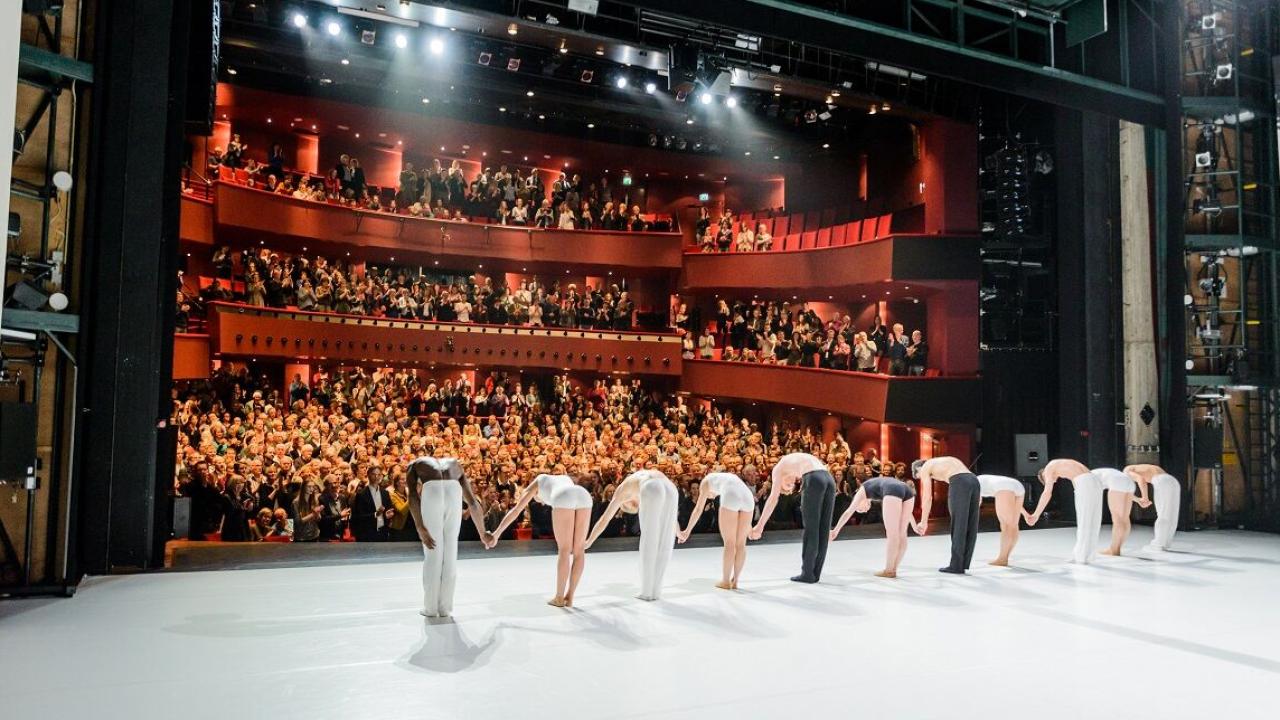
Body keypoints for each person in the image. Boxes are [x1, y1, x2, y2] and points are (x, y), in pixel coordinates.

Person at [405, 457, 493, 618]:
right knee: (450, 554)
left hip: (432, 492)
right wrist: (482, 532)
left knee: (433, 553)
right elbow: (472, 502)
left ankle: (431, 609)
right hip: (454, 492)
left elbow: (412, 496)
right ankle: (445, 608)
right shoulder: (456, 464)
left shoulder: (415, 464)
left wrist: (419, 526)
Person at [489, 473, 592, 608]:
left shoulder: (538, 482)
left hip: (563, 496)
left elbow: (516, 510)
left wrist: (496, 534)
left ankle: (559, 597)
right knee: (579, 550)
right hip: (583, 494)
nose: (540, 502)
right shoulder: (560, 478)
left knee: (564, 550)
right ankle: (570, 596)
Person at [584, 469, 679, 601]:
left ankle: (647, 592)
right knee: (664, 540)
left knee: (649, 539)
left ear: (625, 504)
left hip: (653, 485)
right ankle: (655, 591)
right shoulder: (635, 484)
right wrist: (679, 532)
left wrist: (589, 541)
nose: (637, 504)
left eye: (635, 506)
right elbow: (670, 518)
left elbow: (605, 519)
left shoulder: (621, 492)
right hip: (670, 486)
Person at [751, 452, 835, 583]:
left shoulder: (778, 469)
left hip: (815, 477)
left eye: (787, 486)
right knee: (823, 529)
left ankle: (807, 573)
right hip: (829, 478)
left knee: (812, 529)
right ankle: (814, 574)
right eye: (790, 486)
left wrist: (759, 526)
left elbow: (773, 499)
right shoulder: (793, 466)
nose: (791, 485)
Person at [677, 471, 755, 589]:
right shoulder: (723, 478)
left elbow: (698, 509)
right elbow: (740, 494)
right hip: (748, 497)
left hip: (731, 494)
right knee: (741, 544)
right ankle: (736, 580)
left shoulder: (705, 482)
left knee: (729, 543)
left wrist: (687, 530)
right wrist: (749, 528)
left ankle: (725, 581)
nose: (710, 497)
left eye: (708, 496)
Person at [830, 476, 919, 578]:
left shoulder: (861, 491)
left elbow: (848, 511)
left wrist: (836, 530)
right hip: (906, 490)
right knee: (902, 534)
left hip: (893, 490)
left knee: (892, 534)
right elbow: (904, 508)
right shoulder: (874, 493)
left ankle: (889, 570)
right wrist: (914, 525)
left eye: (859, 510)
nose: (864, 511)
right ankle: (893, 569)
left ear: (859, 502)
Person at [1024, 458, 1104, 564]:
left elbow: (1047, 493)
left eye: (1050, 480)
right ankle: (1086, 555)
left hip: (1084, 482)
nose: (1055, 480)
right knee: (1094, 520)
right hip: (1095, 480)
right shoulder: (1059, 463)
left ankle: (1081, 556)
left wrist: (1036, 514)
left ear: (1043, 475)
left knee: (1084, 520)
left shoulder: (1048, 469)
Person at [914, 456, 980, 574]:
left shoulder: (925, 467)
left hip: (959, 482)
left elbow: (927, 497)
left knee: (959, 524)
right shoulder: (942, 461)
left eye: (919, 477)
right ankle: (963, 563)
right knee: (971, 524)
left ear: (918, 469)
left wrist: (924, 521)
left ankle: (956, 565)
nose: (927, 478)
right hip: (974, 480)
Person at [1091, 466, 1149, 556]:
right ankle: (1116, 549)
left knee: (1118, 519)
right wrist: (1139, 499)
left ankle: (1114, 550)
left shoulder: (1086, 478)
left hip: (1117, 481)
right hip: (1128, 482)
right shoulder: (1096, 474)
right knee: (1125, 519)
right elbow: (1121, 491)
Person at [1123, 463, 1180, 551]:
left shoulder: (1126, 471)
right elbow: (1127, 493)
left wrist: (1145, 497)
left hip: (1161, 480)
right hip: (1172, 480)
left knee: (1163, 513)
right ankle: (1165, 543)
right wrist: (1139, 500)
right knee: (1171, 513)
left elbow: (1140, 479)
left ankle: (1158, 544)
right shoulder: (1136, 469)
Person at [975, 474, 1026, 566]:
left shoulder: (971, 484)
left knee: (1006, 525)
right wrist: (1026, 514)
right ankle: (1005, 556)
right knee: (1013, 525)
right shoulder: (978, 479)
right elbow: (1011, 502)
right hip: (1018, 486)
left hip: (1003, 486)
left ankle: (1002, 558)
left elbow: (976, 502)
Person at [350, 473, 394, 542]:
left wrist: (386, 515)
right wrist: (376, 514)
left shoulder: (384, 494)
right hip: (366, 534)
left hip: (382, 533)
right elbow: (358, 517)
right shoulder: (360, 496)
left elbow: (387, 513)